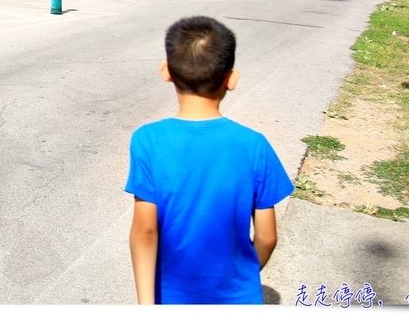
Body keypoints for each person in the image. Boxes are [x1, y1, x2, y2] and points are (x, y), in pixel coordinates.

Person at [126, 15, 294, 304]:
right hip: (238, 297)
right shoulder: (254, 144)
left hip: (171, 297)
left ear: (166, 71)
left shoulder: (148, 140)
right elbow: (267, 238)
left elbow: (145, 230)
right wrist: (240, 278)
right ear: (231, 79)